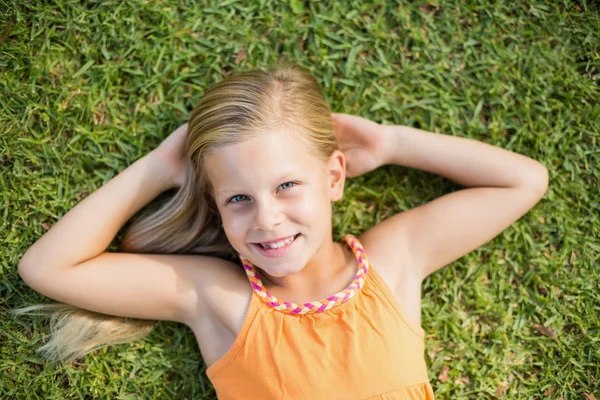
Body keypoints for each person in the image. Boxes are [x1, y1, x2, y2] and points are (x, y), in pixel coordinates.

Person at [14, 63, 548, 399]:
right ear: (215, 205)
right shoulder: (219, 296)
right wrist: (157, 168)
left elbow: (523, 181)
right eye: (239, 199)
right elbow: (46, 268)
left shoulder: (393, 261)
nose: (267, 219)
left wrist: (391, 143)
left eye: (288, 185)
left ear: (334, 176)